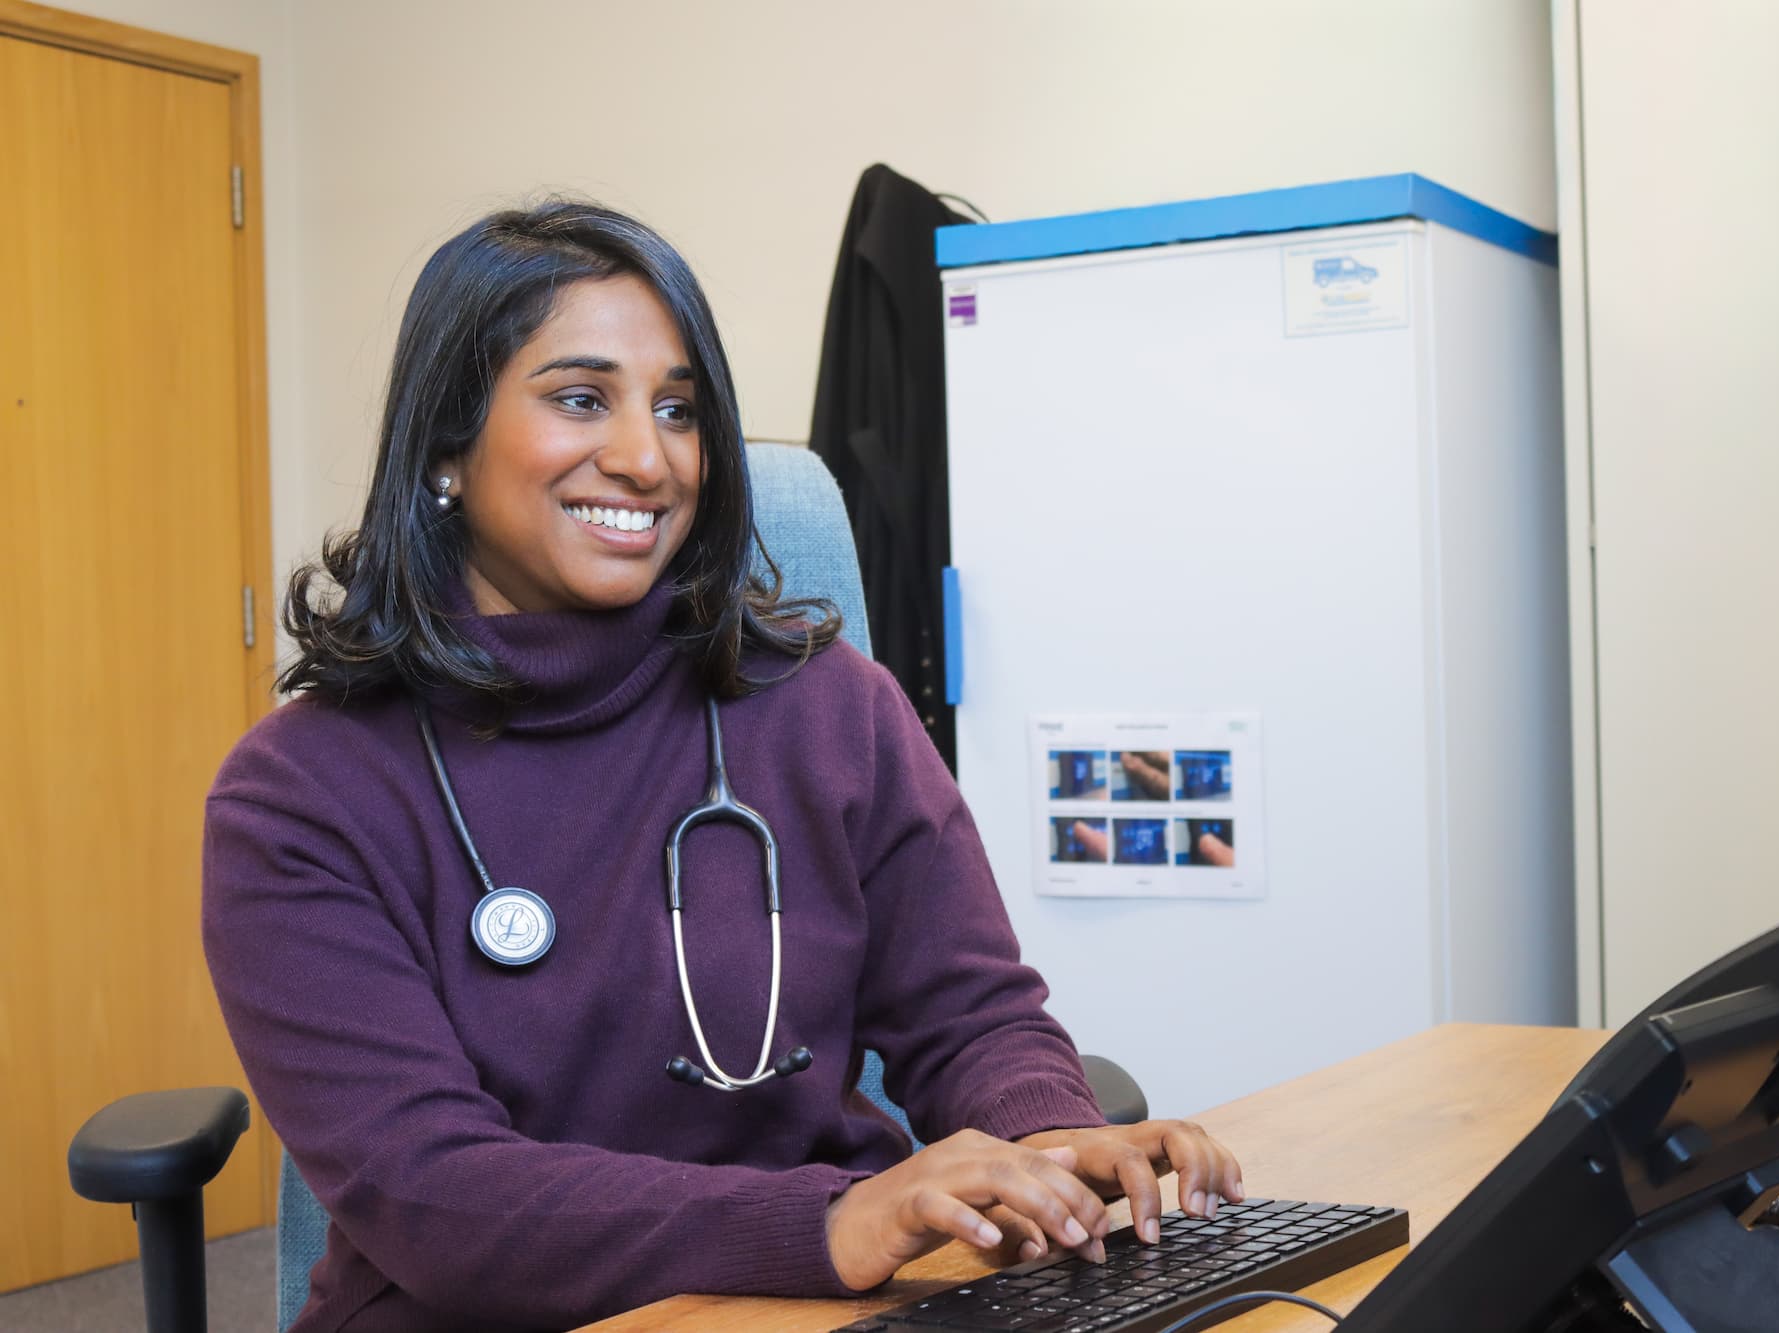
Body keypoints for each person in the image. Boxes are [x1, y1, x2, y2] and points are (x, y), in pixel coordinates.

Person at [202, 201, 1245, 1333]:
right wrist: (837, 1221)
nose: (647, 459)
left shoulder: (828, 705)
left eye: (679, 410)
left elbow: (971, 1015)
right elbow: (433, 1192)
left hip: (819, 1307)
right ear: (447, 444)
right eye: (579, 397)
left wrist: (1048, 1139)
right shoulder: (299, 795)